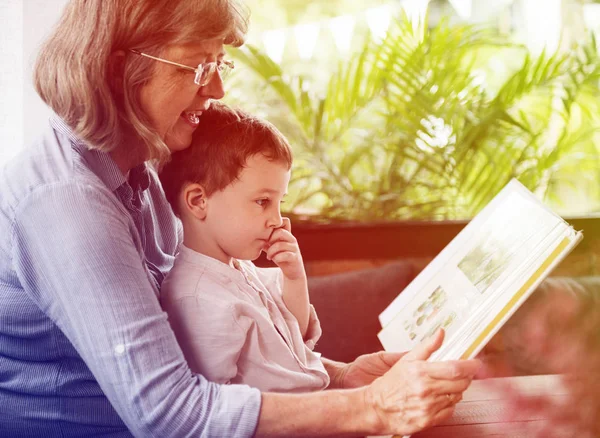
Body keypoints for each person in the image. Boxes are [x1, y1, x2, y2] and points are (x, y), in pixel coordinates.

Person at [0, 0, 481, 437]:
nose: (217, 87)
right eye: (196, 66)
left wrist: (341, 377)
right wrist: (371, 406)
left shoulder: (143, 165)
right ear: (120, 69)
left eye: (218, 63)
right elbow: (172, 416)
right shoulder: (67, 205)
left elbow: (200, 365)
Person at [159, 103, 329, 392]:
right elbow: (214, 409)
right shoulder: (197, 298)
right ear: (199, 201)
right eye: (263, 201)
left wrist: (294, 278)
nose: (277, 220)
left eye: (280, 203)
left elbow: (295, 337)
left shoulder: (241, 269)